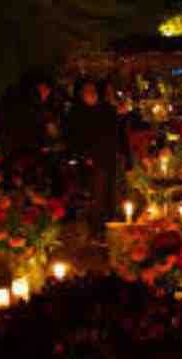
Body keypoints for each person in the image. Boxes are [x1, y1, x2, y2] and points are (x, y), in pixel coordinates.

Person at [65, 79, 120, 239]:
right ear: (81, 93)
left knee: (110, 195)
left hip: (108, 158)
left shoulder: (107, 110)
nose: (90, 92)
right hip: (90, 161)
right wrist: (84, 155)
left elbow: (113, 133)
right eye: (86, 90)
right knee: (96, 196)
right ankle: (97, 230)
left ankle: (110, 227)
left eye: (92, 89)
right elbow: (74, 137)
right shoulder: (76, 113)